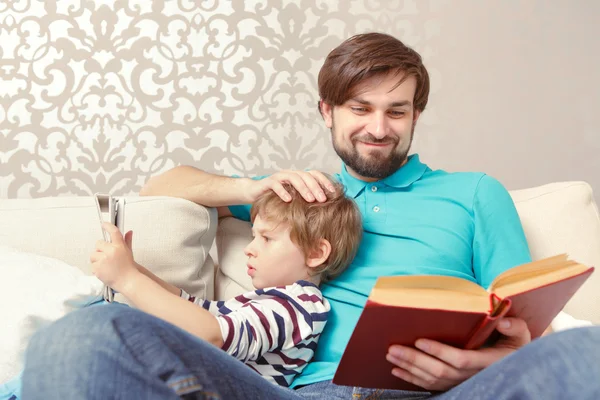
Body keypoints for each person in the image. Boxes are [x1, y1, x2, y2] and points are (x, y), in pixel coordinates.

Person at [22, 32, 600, 400]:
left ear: (417, 113)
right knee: (88, 334)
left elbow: (524, 323)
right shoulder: (302, 198)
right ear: (327, 111)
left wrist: (476, 366)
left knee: (586, 351)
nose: (378, 128)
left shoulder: (475, 193)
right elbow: (163, 185)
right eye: (360, 108)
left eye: (397, 111)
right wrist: (252, 186)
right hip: (295, 394)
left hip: (439, 395)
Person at [89, 180, 362, 388]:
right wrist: (135, 270)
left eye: (266, 239)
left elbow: (214, 334)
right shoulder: (271, 299)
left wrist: (127, 279)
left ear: (316, 253)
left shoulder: (300, 306)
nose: (249, 249)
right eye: (253, 236)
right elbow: (197, 309)